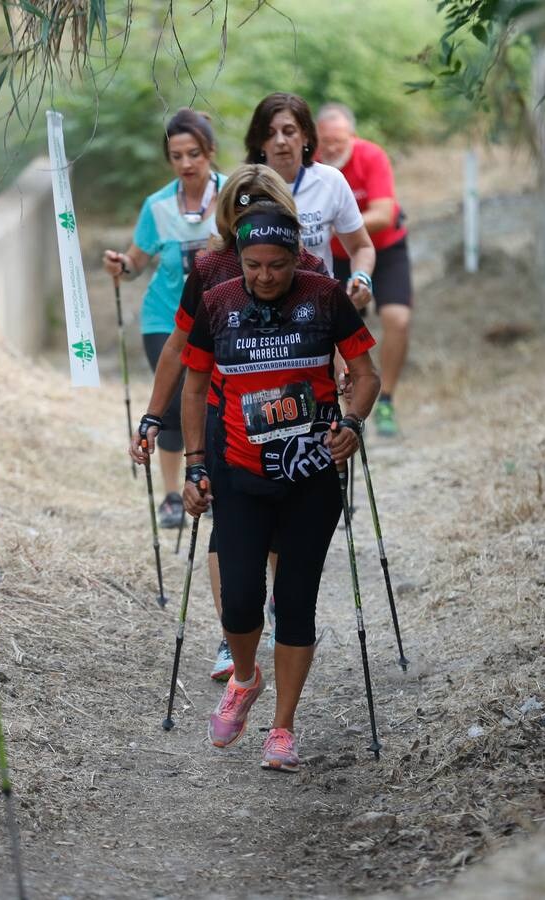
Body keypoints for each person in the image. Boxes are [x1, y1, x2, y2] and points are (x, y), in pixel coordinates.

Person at [179, 204, 380, 772]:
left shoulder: (324, 296)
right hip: (240, 473)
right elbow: (194, 389)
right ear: (238, 259)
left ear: (298, 256)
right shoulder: (218, 303)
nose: (265, 276)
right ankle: (245, 680)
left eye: (277, 265)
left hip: (310, 476)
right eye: (253, 265)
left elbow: (367, 375)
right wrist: (196, 465)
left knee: (296, 602)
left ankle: (282, 729)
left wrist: (353, 423)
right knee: (239, 602)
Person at [129, 164, 327, 681]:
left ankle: (281, 617)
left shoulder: (306, 265)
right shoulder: (212, 266)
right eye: (242, 208)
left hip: (295, 417)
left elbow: (335, 338)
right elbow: (178, 344)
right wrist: (155, 412)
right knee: (228, 524)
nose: (253, 219)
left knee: (282, 530)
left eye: (263, 207)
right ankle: (232, 632)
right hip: (226, 414)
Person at [103, 108, 224, 530]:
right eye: (177, 156)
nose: (187, 163)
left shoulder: (232, 196)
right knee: (172, 401)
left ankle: (210, 481)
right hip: (165, 319)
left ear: (210, 151)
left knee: (212, 401)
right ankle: (173, 495)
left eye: (194, 153)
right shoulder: (157, 205)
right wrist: (123, 265)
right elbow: (138, 260)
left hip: (221, 317)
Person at [317, 102, 413, 438]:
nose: (331, 148)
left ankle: (386, 399)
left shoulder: (371, 157)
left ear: (352, 137)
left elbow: (384, 213)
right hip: (336, 257)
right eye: (325, 141)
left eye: (339, 141)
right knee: (334, 334)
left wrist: (337, 223)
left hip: (384, 248)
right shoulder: (310, 164)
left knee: (397, 319)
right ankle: (345, 409)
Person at [242, 93, 376, 306]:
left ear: (305, 136)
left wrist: (361, 278)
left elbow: (361, 247)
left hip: (318, 310)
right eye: (269, 133)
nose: (280, 141)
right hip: (257, 315)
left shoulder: (330, 181)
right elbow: (217, 253)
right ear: (259, 141)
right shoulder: (242, 187)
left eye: (289, 131)